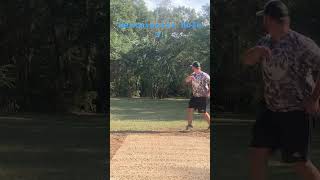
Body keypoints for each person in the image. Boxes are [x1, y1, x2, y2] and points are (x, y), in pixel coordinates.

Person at [243, 1, 320, 180]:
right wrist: (256, 51)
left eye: (264, 18)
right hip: (270, 110)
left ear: (268, 19)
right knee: (257, 154)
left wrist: (315, 99)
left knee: (299, 163)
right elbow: (247, 60)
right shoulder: (265, 42)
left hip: (296, 112)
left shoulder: (301, 43)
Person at [185, 61, 210, 130]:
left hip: (202, 96)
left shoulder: (205, 75)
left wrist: (208, 92)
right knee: (190, 109)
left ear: (194, 67)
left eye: (192, 66)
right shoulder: (193, 74)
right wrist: (189, 78)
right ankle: (189, 125)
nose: (191, 68)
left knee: (203, 112)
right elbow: (186, 81)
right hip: (194, 96)